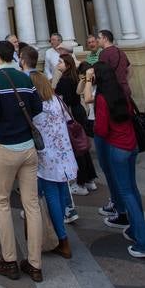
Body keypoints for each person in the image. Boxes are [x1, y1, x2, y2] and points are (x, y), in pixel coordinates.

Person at [0, 40, 43, 282]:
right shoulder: (25, 78)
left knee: (2, 202)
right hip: (28, 147)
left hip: (6, 147)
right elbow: (37, 107)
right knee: (31, 205)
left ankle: (9, 260)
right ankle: (35, 264)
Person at [91, 62, 145, 259]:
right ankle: (135, 230)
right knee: (132, 190)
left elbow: (101, 130)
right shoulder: (122, 93)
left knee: (126, 192)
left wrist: (92, 128)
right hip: (132, 146)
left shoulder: (102, 98)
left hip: (117, 149)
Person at [32, 71, 78, 259]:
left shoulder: (36, 106)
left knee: (51, 195)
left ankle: (62, 238)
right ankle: (61, 232)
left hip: (47, 155)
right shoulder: (56, 100)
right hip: (64, 152)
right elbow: (68, 120)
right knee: (60, 190)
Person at [55, 53, 97, 194]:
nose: (58, 64)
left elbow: (62, 100)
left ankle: (81, 183)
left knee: (77, 148)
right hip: (78, 112)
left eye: (60, 62)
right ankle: (89, 179)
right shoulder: (72, 77)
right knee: (82, 147)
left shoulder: (65, 80)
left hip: (71, 114)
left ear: (67, 65)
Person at [97, 30, 131, 97]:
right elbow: (129, 69)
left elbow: (101, 73)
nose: (97, 40)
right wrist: (123, 80)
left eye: (99, 38)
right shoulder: (121, 52)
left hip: (112, 92)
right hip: (125, 89)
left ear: (105, 39)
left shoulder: (104, 53)